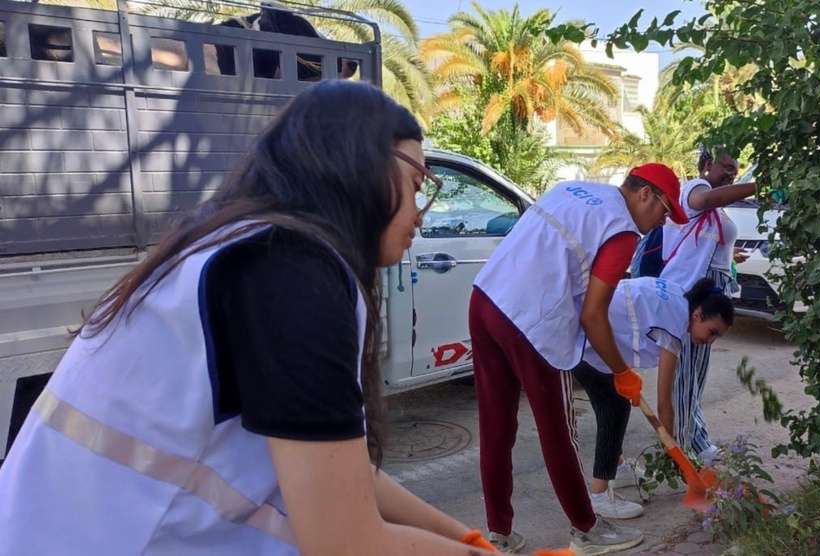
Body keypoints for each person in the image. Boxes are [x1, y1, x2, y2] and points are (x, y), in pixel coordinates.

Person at [0, 80, 566, 555]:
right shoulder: (292, 270)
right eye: (418, 184)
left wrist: (460, 535)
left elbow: (342, 473)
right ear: (361, 162)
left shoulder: (238, 241)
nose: (420, 211)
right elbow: (347, 543)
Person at [470, 163, 689, 553]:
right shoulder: (621, 230)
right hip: (532, 323)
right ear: (645, 194)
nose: (660, 223)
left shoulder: (571, 189)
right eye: (664, 211)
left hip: (485, 300)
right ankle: (587, 530)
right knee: (559, 431)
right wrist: (622, 371)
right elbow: (592, 314)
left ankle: (499, 535)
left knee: (496, 427)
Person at [574, 277, 735, 518]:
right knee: (615, 410)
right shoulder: (674, 328)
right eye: (711, 332)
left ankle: (618, 469)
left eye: (716, 338)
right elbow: (664, 401)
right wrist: (672, 447)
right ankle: (598, 496)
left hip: (592, 330)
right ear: (698, 314)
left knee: (614, 402)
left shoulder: (679, 296)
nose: (709, 341)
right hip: (585, 337)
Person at [636, 146, 755, 463]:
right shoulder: (694, 190)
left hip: (707, 298)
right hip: (688, 301)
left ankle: (694, 439)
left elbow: (703, 245)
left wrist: (731, 256)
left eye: (736, 169)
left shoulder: (717, 211)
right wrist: (759, 185)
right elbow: (706, 202)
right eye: (726, 167)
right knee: (683, 378)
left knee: (694, 377)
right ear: (706, 165)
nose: (732, 173)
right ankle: (683, 447)